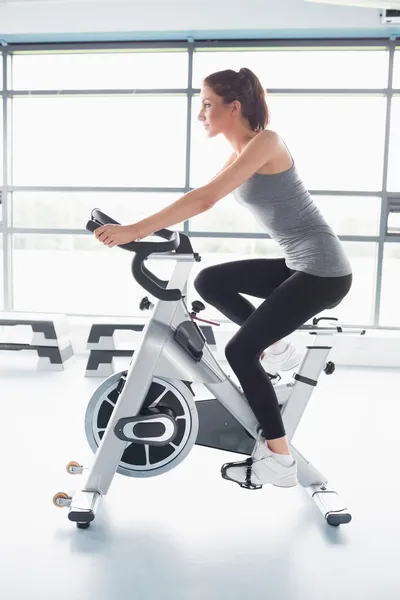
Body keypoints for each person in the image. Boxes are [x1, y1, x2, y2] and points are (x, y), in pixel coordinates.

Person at [94, 67, 352, 489]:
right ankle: (280, 349)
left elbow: (204, 199)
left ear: (235, 107)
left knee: (239, 352)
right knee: (210, 281)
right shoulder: (239, 154)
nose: (201, 114)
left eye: (208, 104)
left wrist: (134, 231)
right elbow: (199, 195)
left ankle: (279, 460)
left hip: (323, 271)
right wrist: (150, 230)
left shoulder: (266, 143)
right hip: (298, 264)